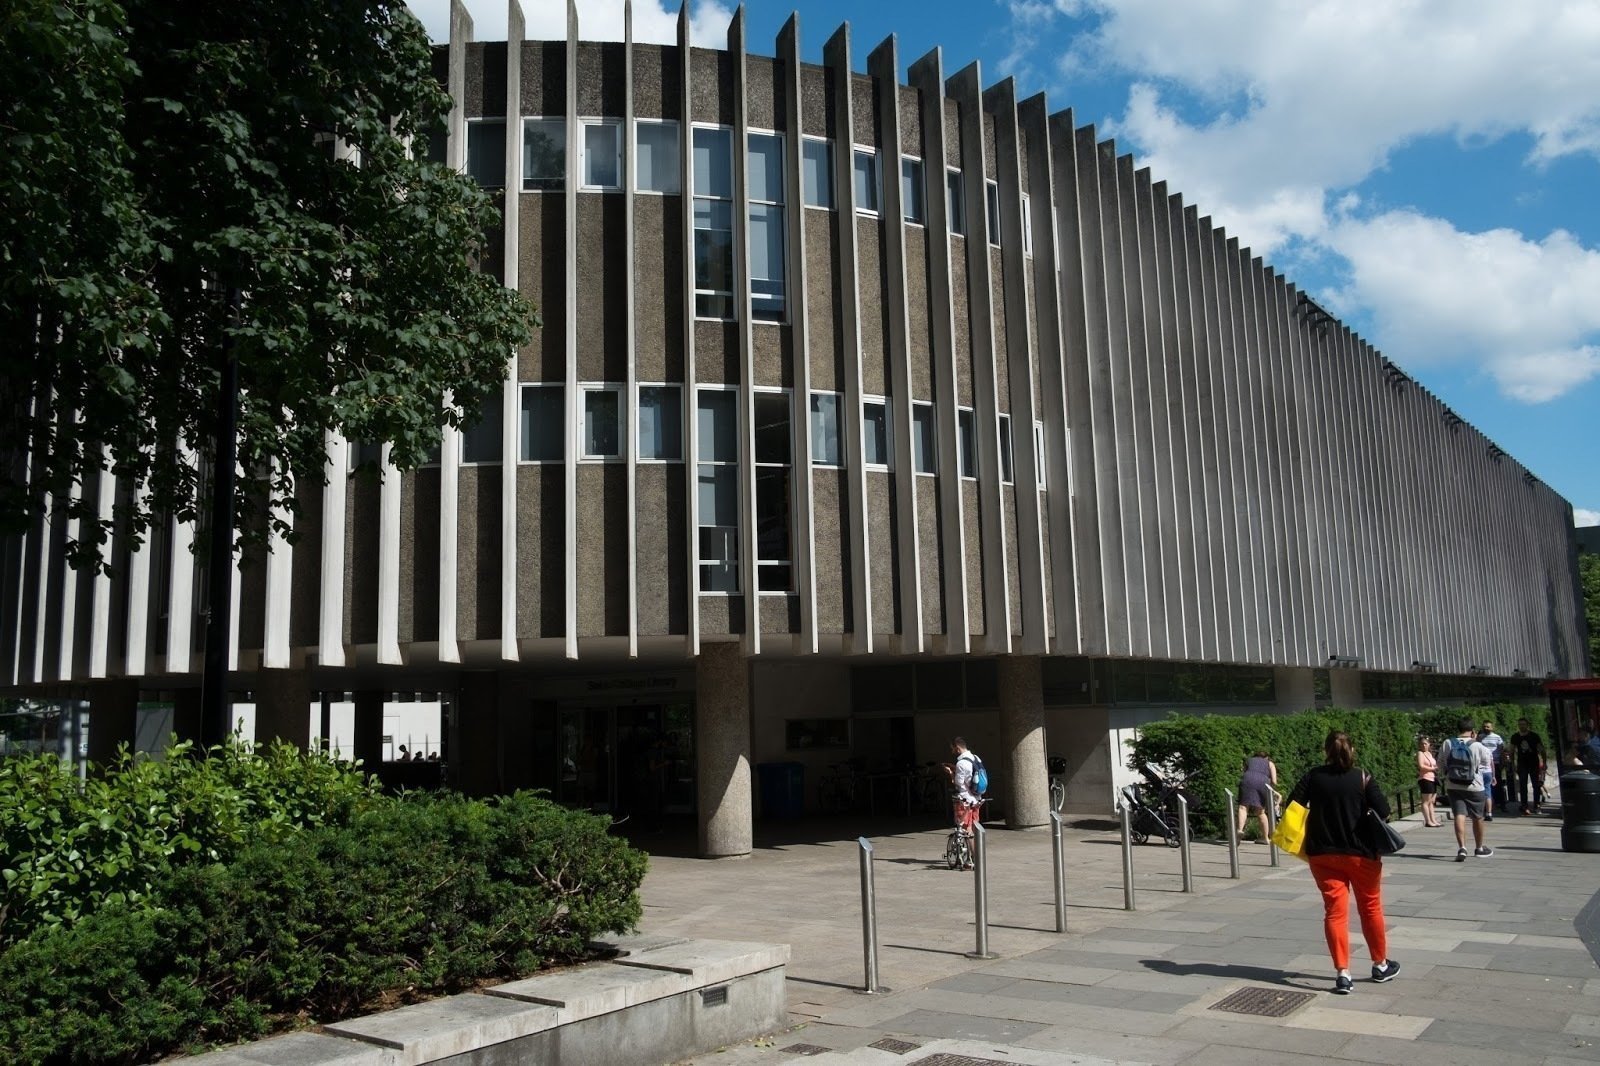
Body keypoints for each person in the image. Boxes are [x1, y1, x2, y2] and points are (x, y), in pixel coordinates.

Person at [1285, 730, 1400, 995]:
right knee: (1370, 907)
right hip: (1361, 854)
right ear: (1352, 750)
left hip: (1323, 854)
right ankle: (1380, 964)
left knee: (1334, 912)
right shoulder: (1362, 777)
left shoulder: (1314, 776)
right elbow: (1384, 811)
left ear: (1326, 751)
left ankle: (1342, 973)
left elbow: (1294, 805)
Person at [1443, 717, 1494, 861]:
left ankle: (1462, 847)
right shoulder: (1477, 745)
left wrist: (1447, 774)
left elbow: (1441, 762)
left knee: (1459, 814)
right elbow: (1486, 762)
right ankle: (1479, 848)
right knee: (1478, 816)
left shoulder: (1448, 743)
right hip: (1474, 786)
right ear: (1472, 731)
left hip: (1453, 785)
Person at [943, 737, 984, 862]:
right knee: (974, 827)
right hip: (977, 799)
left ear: (957, 748)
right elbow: (971, 777)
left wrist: (950, 772)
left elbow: (958, 784)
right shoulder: (976, 758)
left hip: (964, 801)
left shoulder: (961, 763)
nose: (952, 752)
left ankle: (973, 860)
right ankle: (975, 857)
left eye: (952, 749)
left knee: (966, 829)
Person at [1236, 750, 1278, 843]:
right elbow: (1274, 781)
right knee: (1261, 812)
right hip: (1263, 783)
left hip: (1247, 780)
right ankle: (1265, 838)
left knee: (1243, 807)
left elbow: (1245, 772)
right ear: (1266, 757)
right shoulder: (1270, 763)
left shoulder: (1249, 760)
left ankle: (1240, 829)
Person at [1507, 719, 1546, 814]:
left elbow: (1541, 749)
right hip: (1522, 764)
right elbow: (1511, 751)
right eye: (1520, 724)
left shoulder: (1534, 736)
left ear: (1527, 725)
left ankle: (1537, 805)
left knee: (1536, 785)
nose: (1521, 726)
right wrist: (1513, 764)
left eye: (1523, 724)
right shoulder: (1515, 737)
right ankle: (1524, 806)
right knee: (1522, 785)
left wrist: (1544, 763)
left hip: (1534, 763)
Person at [1477, 720, 1504, 818]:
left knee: (1498, 785)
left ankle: (1501, 804)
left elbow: (1501, 750)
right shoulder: (1480, 737)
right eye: (1484, 726)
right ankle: (1489, 806)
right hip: (1483, 765)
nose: (1486, 728)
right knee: (1486, 787)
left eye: (1488, 726)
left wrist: (1502, 762)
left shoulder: (1497, 737)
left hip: (1495, 763)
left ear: (1492, 727)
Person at [1415, 737, 1442, 827]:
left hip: (1432, 778)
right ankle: (1428, 820)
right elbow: (1421, 766)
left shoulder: (1429, 754)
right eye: (1422, 744)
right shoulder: (1420, 753)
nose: (1423, 745)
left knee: (1431, 801)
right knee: (1426, 801)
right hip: (1425, 778)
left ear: (1429, 744)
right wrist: (1433, 768)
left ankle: (1433, 820)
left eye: (1425, 743)